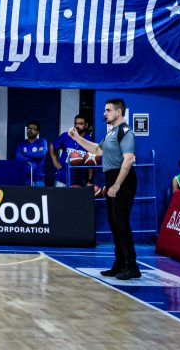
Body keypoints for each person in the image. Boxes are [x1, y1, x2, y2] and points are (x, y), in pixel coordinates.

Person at [69, 98, 140, 280]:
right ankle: (120, 264)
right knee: (114, 223)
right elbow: (97, 150)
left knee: (121, 223)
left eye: (108, 110)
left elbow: (128, 159)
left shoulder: (125, 131)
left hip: (123, 180)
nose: (104, 113)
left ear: (118, 112)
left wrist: (117, 184)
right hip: (112, 178)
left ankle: (132, 266)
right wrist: (76, 137)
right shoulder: (111, 132)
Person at [50, 115, 94, 187]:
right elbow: (52, 145)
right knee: (58, 194)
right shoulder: (66, 136)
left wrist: (89, 180)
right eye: (76, 123)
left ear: (86, 125)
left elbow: (90, 163)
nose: (77, 126)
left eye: (80, 124)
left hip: (78, 180)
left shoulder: (89, 141)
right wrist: (54, 161)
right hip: (62, 177)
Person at [16, 121, 48, 186]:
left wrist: (25, 154)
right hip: (25, 179)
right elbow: (18, 158)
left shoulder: (42, 142)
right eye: (29, 128)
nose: (31, 130)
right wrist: (35, 157)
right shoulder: (21, 143)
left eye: (34, 129)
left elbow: (41, 154)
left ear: (38, 132)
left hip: (39, 180)